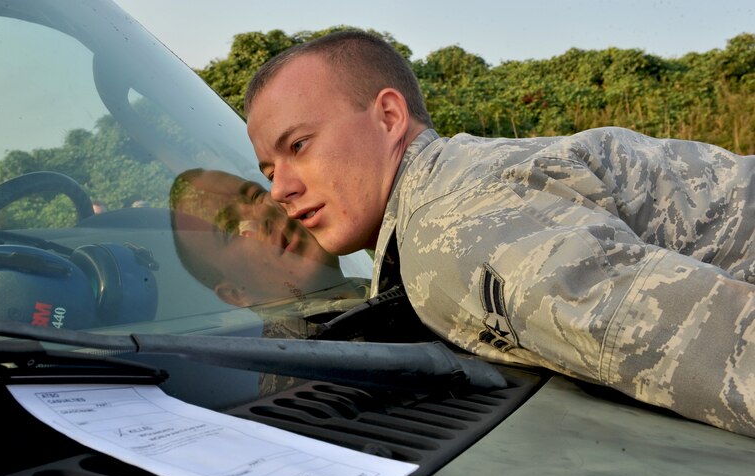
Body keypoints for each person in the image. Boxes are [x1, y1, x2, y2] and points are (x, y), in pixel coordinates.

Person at [243, 30, 755, 437]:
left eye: (299, 145)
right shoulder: (454, 181)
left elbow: (728, 350)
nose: (280, 189)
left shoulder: (455, 228)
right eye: (269, 170)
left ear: (389, 117)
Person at [168, 168, 370, 338]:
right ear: (236, 294)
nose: (265, 212)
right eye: (231, 228)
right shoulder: (309, 366)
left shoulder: (378, 285)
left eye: (255, 196)